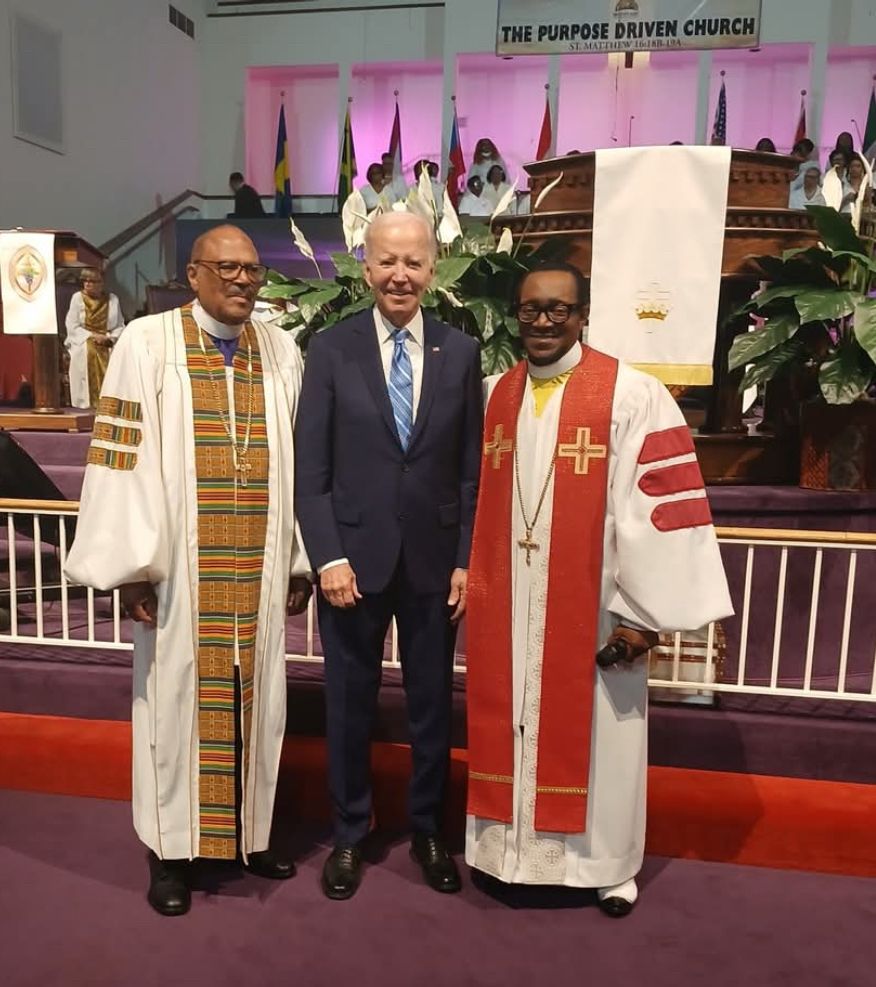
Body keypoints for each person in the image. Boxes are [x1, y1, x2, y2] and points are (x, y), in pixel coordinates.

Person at [464, 262, 733, 917]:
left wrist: (643, 618)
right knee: (514, 721)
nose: (544, 321)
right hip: (513, 596)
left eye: (559, 309)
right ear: (515, 315)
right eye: (531, 309)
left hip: (599, 605)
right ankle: (509, 855)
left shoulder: (630, 395)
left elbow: (660, 508)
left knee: (603, 741)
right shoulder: (496, 393)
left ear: (583, 314)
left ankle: (607, 867)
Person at [65, 225, 312, 916]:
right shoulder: (147, 343)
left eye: (253, 271)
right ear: (195, 273)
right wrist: (134, 568)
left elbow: (299, 460)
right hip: (181, 571)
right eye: (227, 268)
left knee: (259, 700)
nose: (242, 281)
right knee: (175, 704)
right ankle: (171, 850)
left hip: (258, 568)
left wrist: (296, 556)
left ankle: (248, 833)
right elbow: (119, 457)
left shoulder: (283, 350)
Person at [294, 211, 483, 901]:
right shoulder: (331, 349)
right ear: (365, 266)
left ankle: (428, 828)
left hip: (436, 564)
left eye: (414, 261)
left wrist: (466, 556)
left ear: (433, 269)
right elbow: (310, 469)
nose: (400, 274)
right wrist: (328, 556)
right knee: (349, 701)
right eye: (386, 261)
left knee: (432, 703)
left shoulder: (460, 354)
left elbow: (470, 472)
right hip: (353, 562)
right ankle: (350, 830)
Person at [64, 269, 125, 409]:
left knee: (117, 355)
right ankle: (86, 402)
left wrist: (111, 338)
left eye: (91, 281)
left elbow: (120, 325)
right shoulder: (77, 298)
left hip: (108, 338)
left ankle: (110, 402)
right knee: (87, 352)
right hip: (84, 338)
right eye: (85, 281)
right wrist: (92, 336)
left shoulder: (112, 299)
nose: (87, 284)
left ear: (101, 283)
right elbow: (72, 325)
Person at [823, 149, 854, 214]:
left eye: (840, 159)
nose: (838, 162)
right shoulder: (825, 177)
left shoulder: (850, 175)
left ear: (844, 161)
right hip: (829, 210)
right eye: (835, 160)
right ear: (831, 162)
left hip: (848, 212)